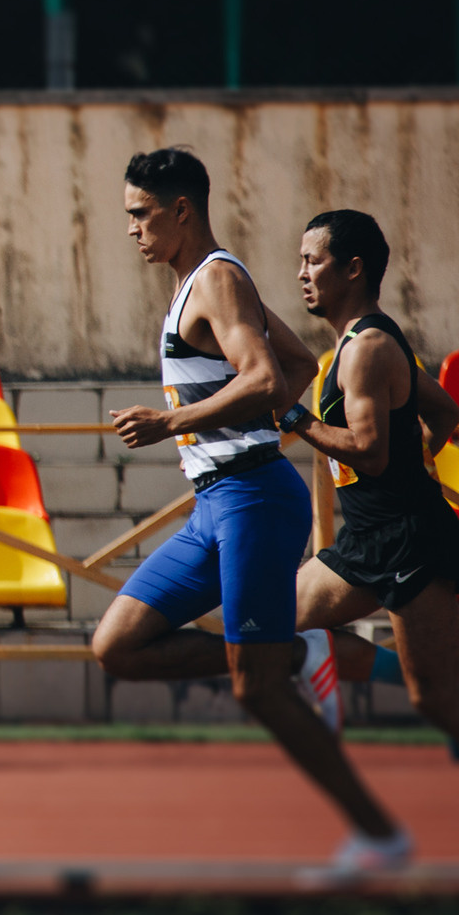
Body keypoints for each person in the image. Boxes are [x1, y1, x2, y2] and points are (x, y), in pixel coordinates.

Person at [89, 148, 410, 876]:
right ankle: (306, 652)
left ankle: (378, 834)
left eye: (141, 214)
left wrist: (176, 422)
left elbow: (262, 374)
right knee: (117, 646)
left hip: (254, 499)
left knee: (254, 686)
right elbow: (294, 367)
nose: (132, 229)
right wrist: (267, 415)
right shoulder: (196, 286)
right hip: (216, 505)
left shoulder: (220, 279)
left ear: (181, 211)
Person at [283, 209, 459, 870]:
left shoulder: (368, 350)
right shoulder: (358, 346)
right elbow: (444, 411)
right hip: (369, 536)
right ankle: (368, 675)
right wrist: (421, 461)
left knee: (435, 699)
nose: (301, 273)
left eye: (313, 260)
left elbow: (370, 453)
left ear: (352, 268)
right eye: (299, 260)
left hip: (409, 541)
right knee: (274, 617)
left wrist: (297, 418)